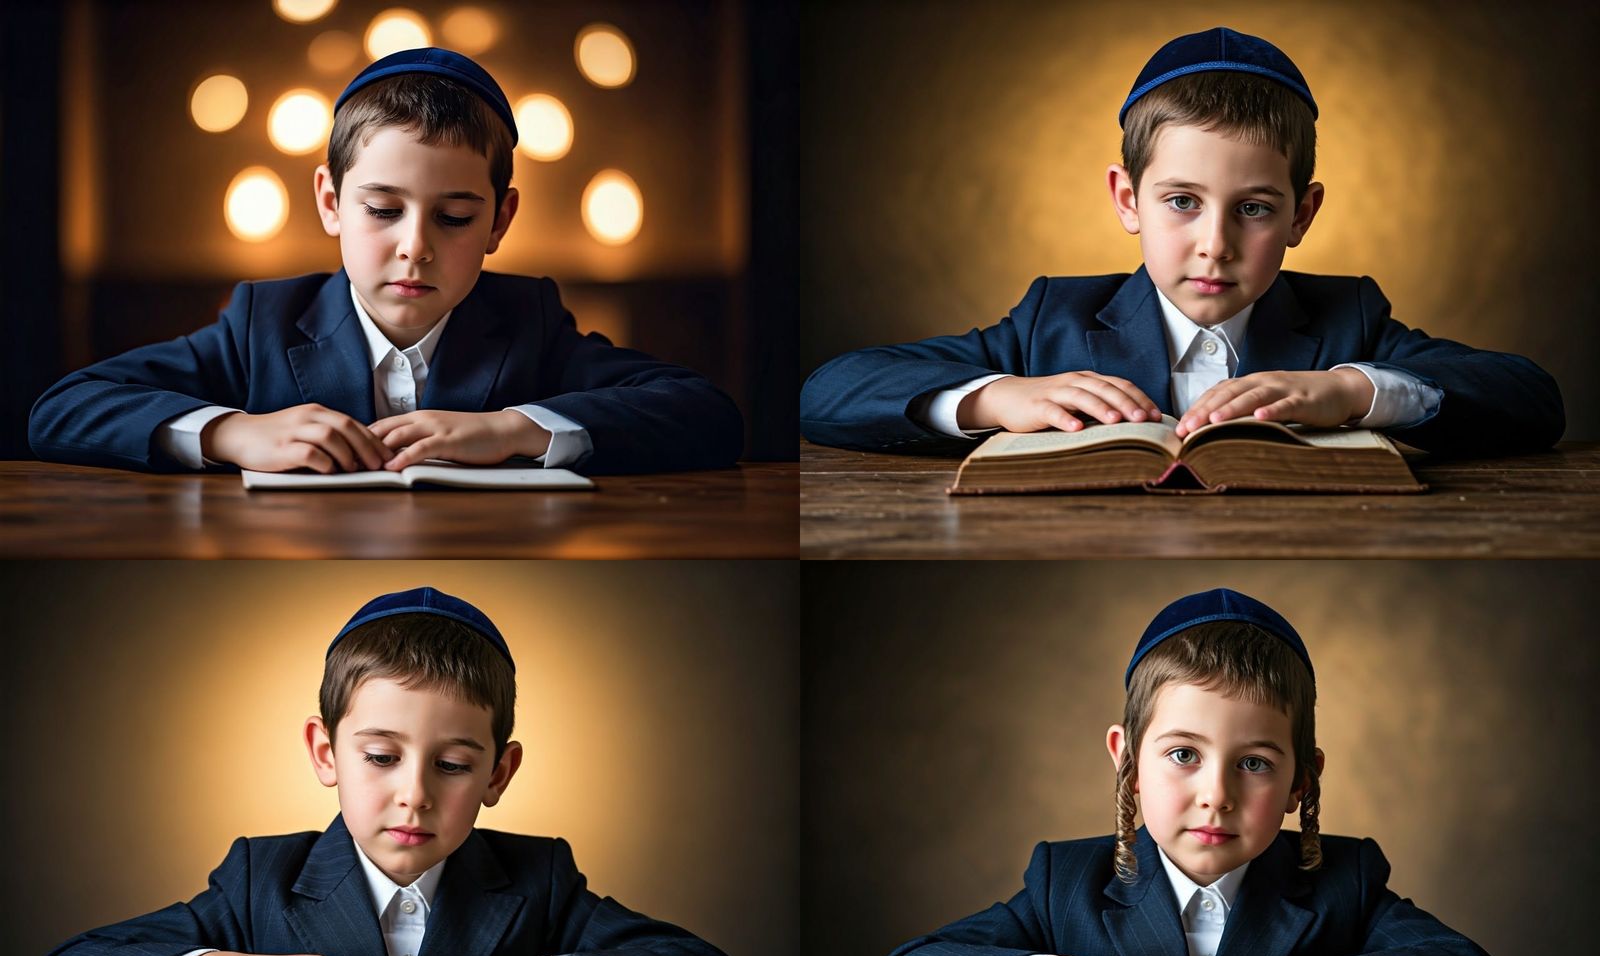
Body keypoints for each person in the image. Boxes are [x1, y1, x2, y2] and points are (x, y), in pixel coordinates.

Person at [801, 28, 1563, 459]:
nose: (1216, 244)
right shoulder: (1053, 321)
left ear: (1302, 216)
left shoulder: (1346, 322)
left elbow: (1532, 397)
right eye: (1181, 203)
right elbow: (828, 391)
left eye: (1255, 210)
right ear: (1128, 201)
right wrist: (998, 396)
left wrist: (1355, 391)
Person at [32, 587, 746, 956]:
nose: (414, 794)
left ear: (499, 772)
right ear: (325, 752)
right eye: (381, 757)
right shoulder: (260, 876)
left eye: (454, 764)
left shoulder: (540, 878)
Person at [29, 48, 744, 475]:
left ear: (501, 220)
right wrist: (232, 431)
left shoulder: (530, 320)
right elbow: (61, 410)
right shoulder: (263, 321)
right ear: (331, 202)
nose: (415, 245)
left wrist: (516, 428)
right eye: (382, 209)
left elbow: (706, 414)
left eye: (456, 217)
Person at [874, 587, 1507, 956]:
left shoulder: (1348, 882)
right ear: (1127, 760)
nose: (1217, 795)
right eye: (1183, 754)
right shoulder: (1063, 882)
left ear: (1300, 780)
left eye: (1254, 763)